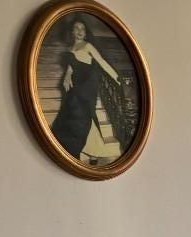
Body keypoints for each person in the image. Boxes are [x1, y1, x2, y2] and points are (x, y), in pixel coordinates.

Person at [50, 15, 132, 164]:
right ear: (72, 31)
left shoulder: (87, 46)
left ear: (86, 32)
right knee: (80, 116)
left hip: (87, 85)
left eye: (82, 28)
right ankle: (94, 152)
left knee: (81, 114)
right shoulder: (70, 48)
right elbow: (70, 67)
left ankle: (77, 149)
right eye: (76, 28)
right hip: (74, 85)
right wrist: (67, 76)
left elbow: (102, 62)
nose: (80, 31)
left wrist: (117, 78)